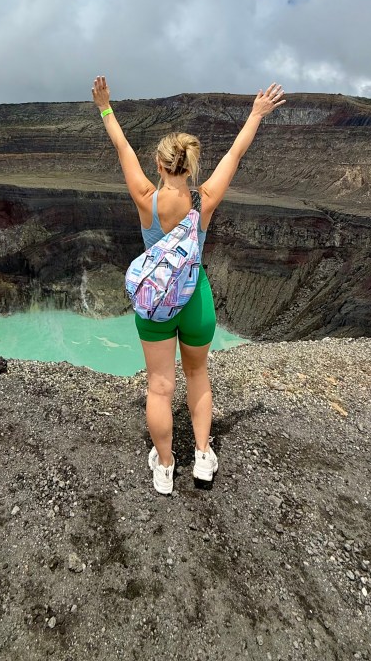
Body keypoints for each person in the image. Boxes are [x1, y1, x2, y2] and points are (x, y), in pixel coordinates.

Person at [91, 75, 286, 494]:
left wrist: (106, 106)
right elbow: (236, 153)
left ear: (159, 165)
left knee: (159, 387)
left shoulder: (146, 196)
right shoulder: (205, 199)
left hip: (156, 306)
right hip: (195, 300)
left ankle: (164, 466)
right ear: (192, 167)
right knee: (198, 376)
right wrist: (255, 113)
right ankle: (201, 456)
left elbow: (121, 147)